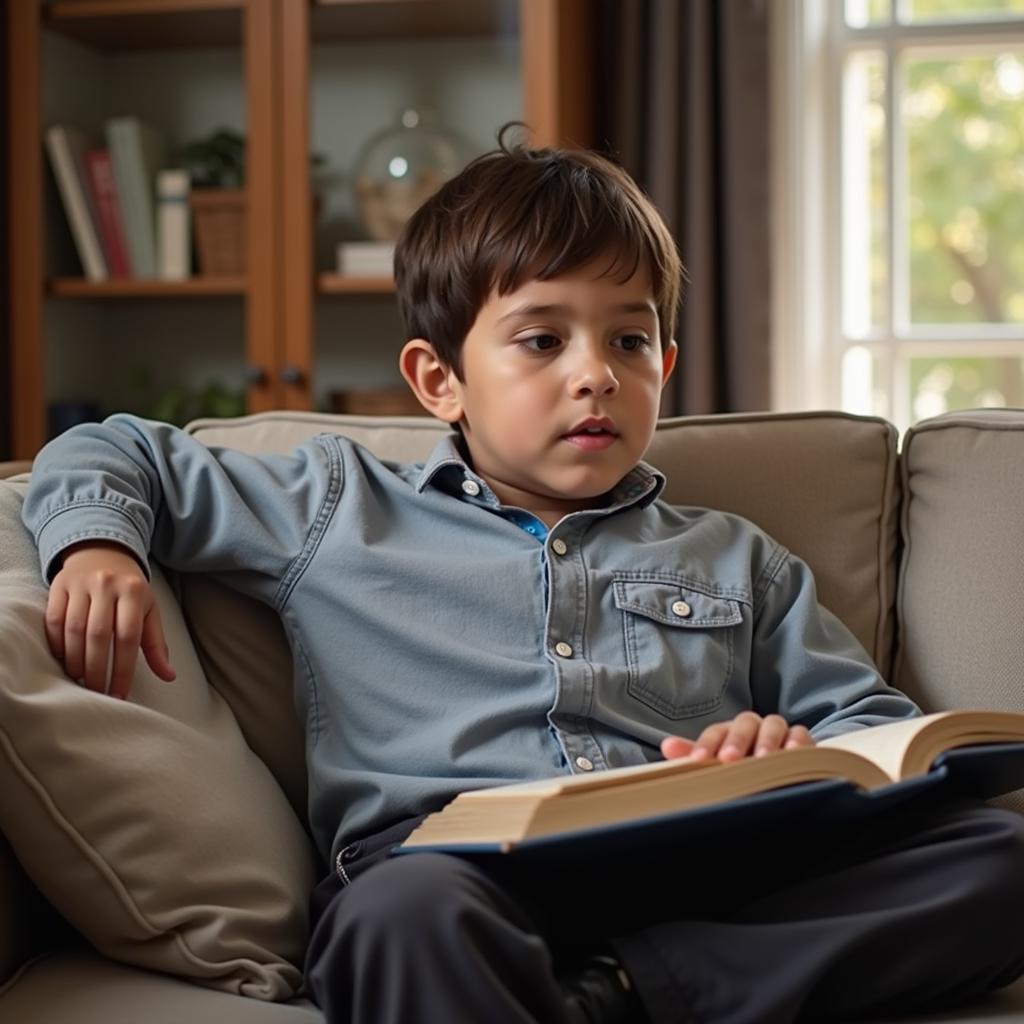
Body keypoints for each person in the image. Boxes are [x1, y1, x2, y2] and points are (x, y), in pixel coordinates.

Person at [21, 126, 1024, 1024]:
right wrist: (97, 543)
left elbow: (874, 735)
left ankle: (621, 991)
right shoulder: (337, 503)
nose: (594, 373)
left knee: (998, 860)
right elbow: (112, 449)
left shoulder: (734, 555)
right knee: (395, 924)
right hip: (453, 868)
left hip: (702, 869)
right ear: (438, 378)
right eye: (542, 340)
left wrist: (781, 747)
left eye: (628, 340)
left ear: (663, 366)